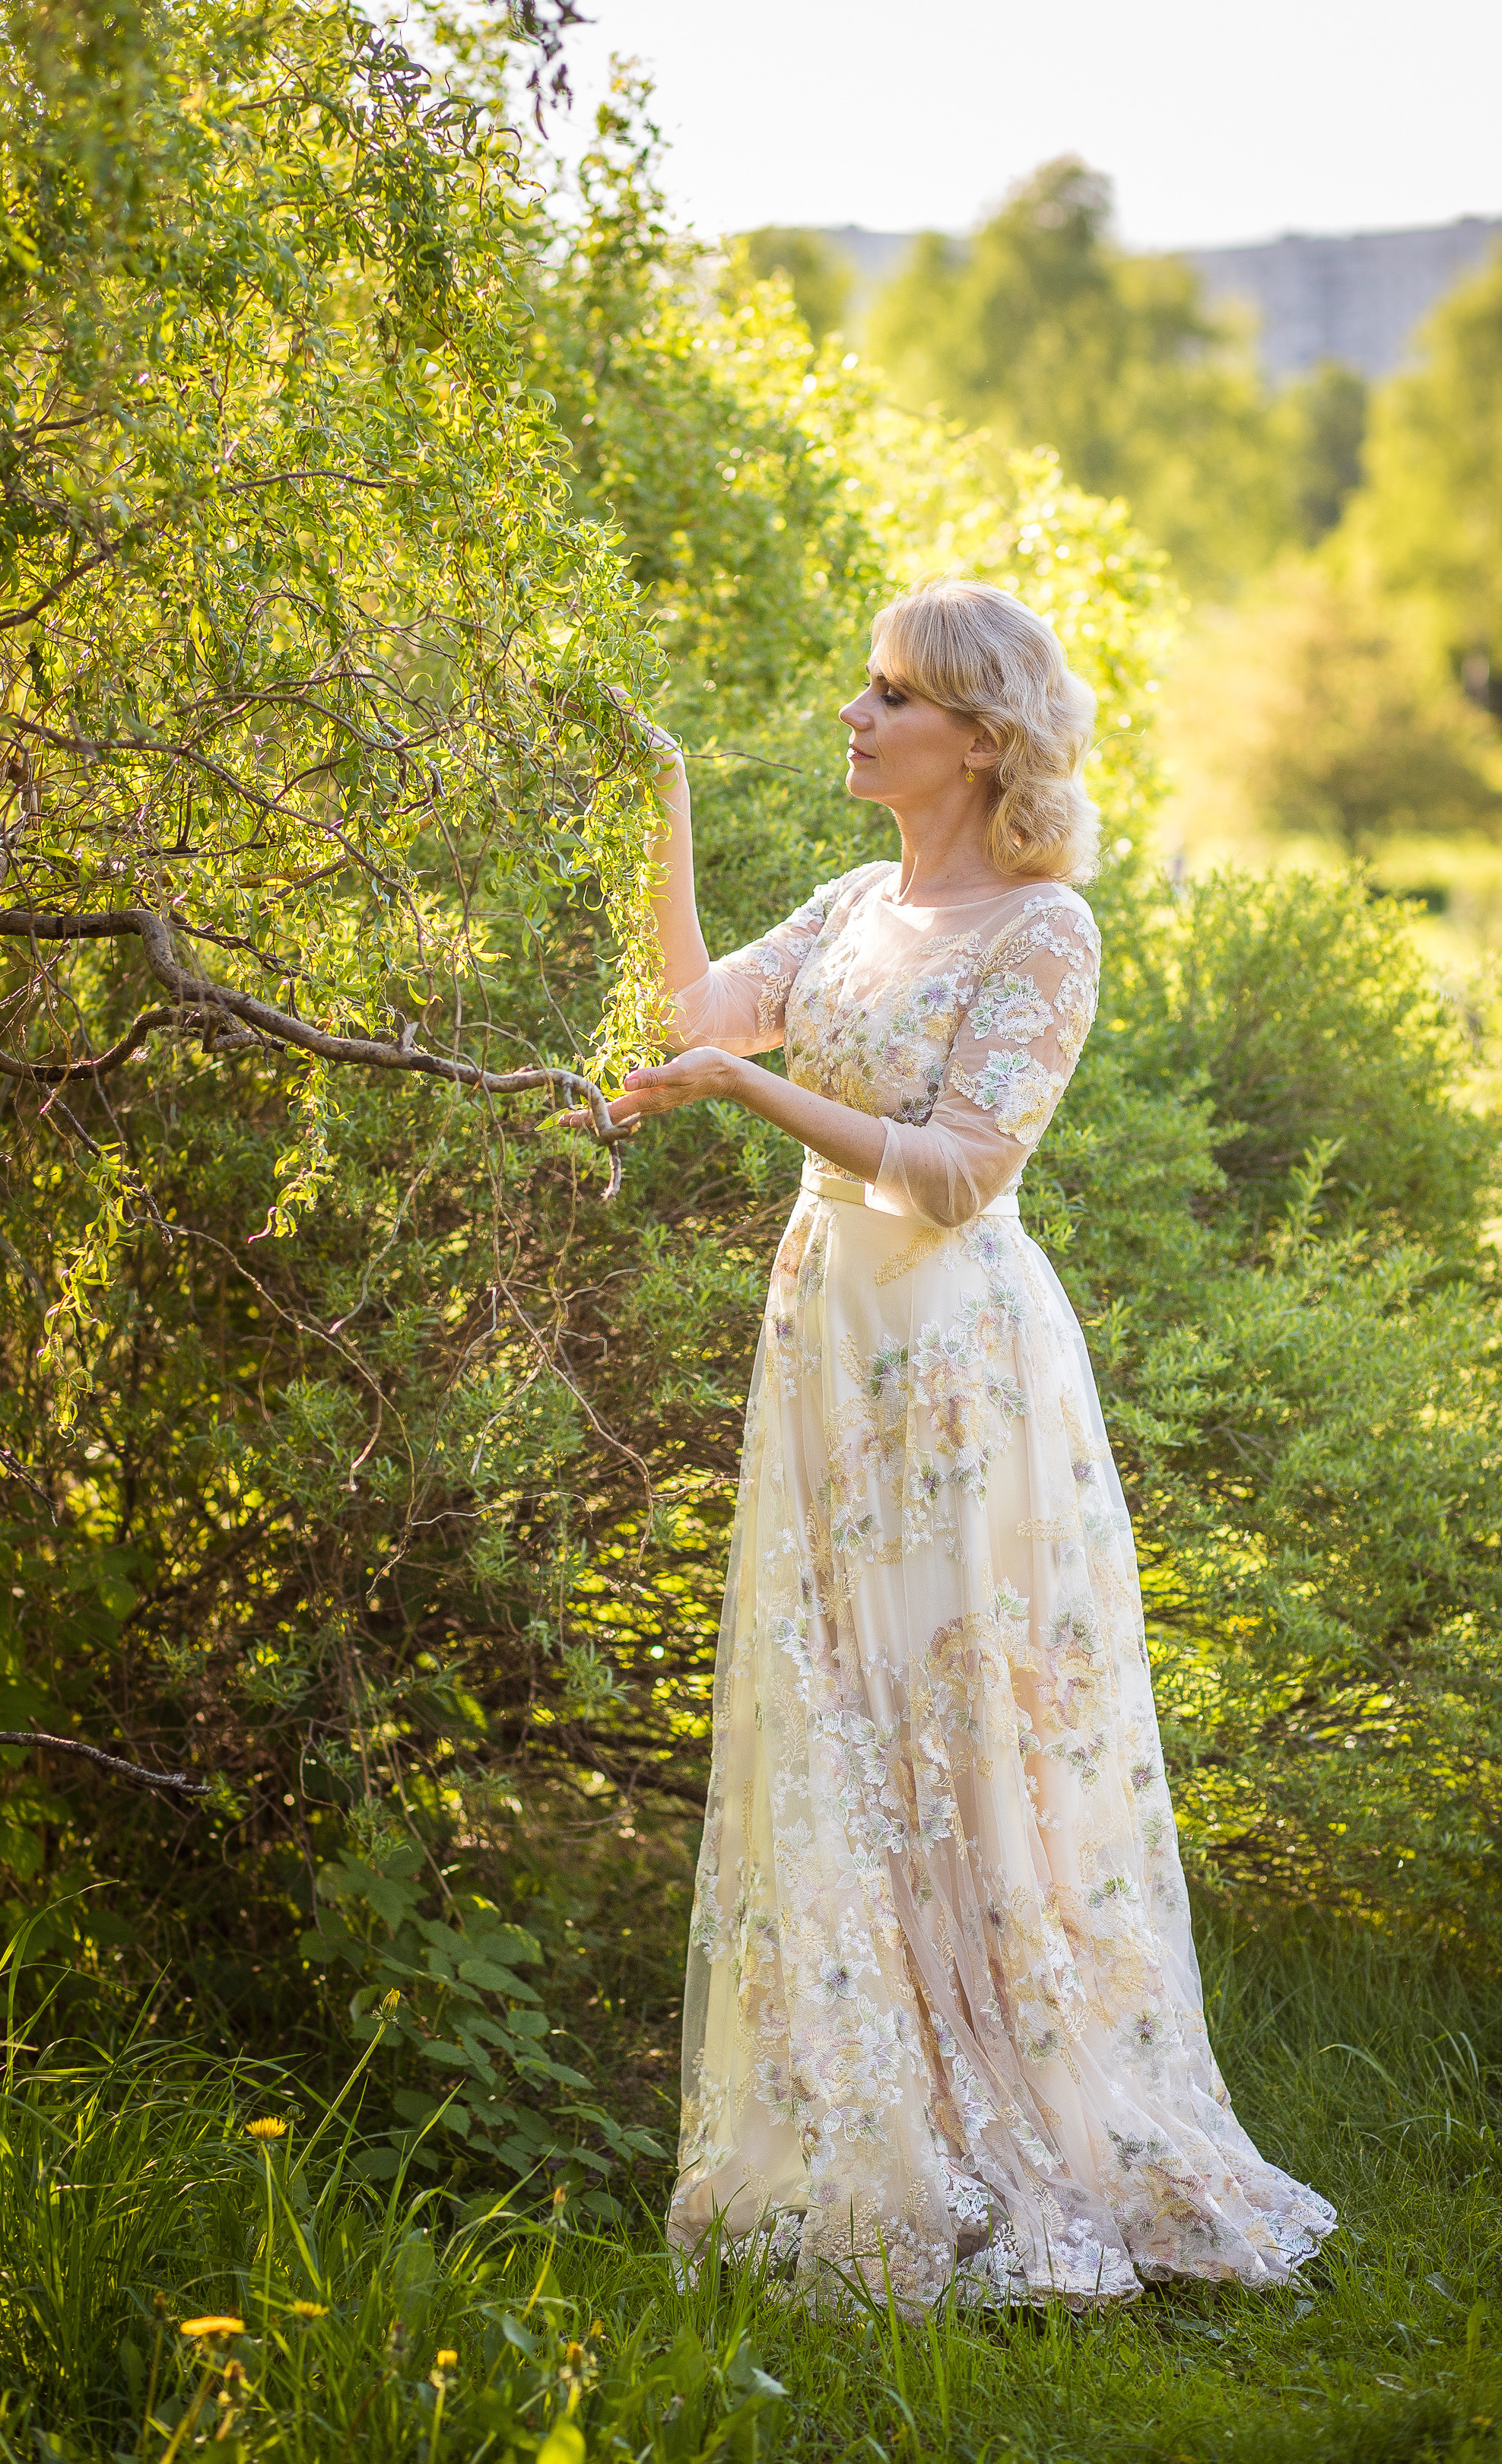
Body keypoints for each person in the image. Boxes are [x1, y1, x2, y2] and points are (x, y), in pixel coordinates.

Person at [589, 577, 1335, 2310]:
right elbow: (697, 1008)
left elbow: (954, 1175)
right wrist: (662, 801)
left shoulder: (1043, 931)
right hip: (827, 1343)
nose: (856, 717)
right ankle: (882, 2116)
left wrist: (751, 1098)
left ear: (981, 740)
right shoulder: (857, 904)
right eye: (867, 687)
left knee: (965, 1715)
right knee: (843, 1706)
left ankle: (1037, 2119)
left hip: (954, 1362)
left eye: (893, 696)